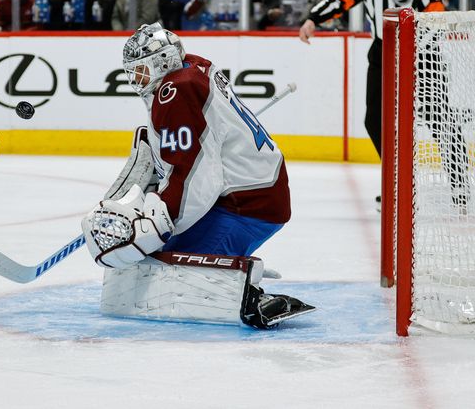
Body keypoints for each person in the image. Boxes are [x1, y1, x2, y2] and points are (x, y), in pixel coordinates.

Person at [81, 22, 313, 329]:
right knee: (153, 259)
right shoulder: (190, 67)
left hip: (248, 204)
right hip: (248, 192)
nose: (135, 80)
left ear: (161, 62)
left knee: (165, 268)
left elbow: (199, 177)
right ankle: (229, 265)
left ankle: (240, 282)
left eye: (140, 70)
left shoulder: (176, 91)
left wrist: (161, 222)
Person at [299, 0, 461, 207]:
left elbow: (436, 10)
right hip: (383, 51)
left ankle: (459, 185)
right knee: (374, 120)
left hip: (422, 53)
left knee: (439, 119)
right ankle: (398, 182)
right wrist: (312, 19)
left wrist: (421, 45)